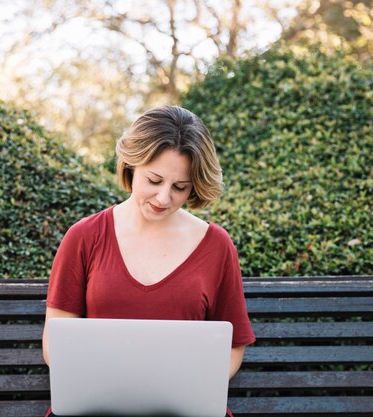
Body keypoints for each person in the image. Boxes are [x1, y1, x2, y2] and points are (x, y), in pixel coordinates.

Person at [42, 105, 255, 417]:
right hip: (96, 408)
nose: (163, 198)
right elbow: (56, 340)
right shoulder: (84, 236)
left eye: (180, 187)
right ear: (131, 165)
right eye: (153, 180)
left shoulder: (217, 245)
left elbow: (234, 346)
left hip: (184, 409)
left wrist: (184, 388)